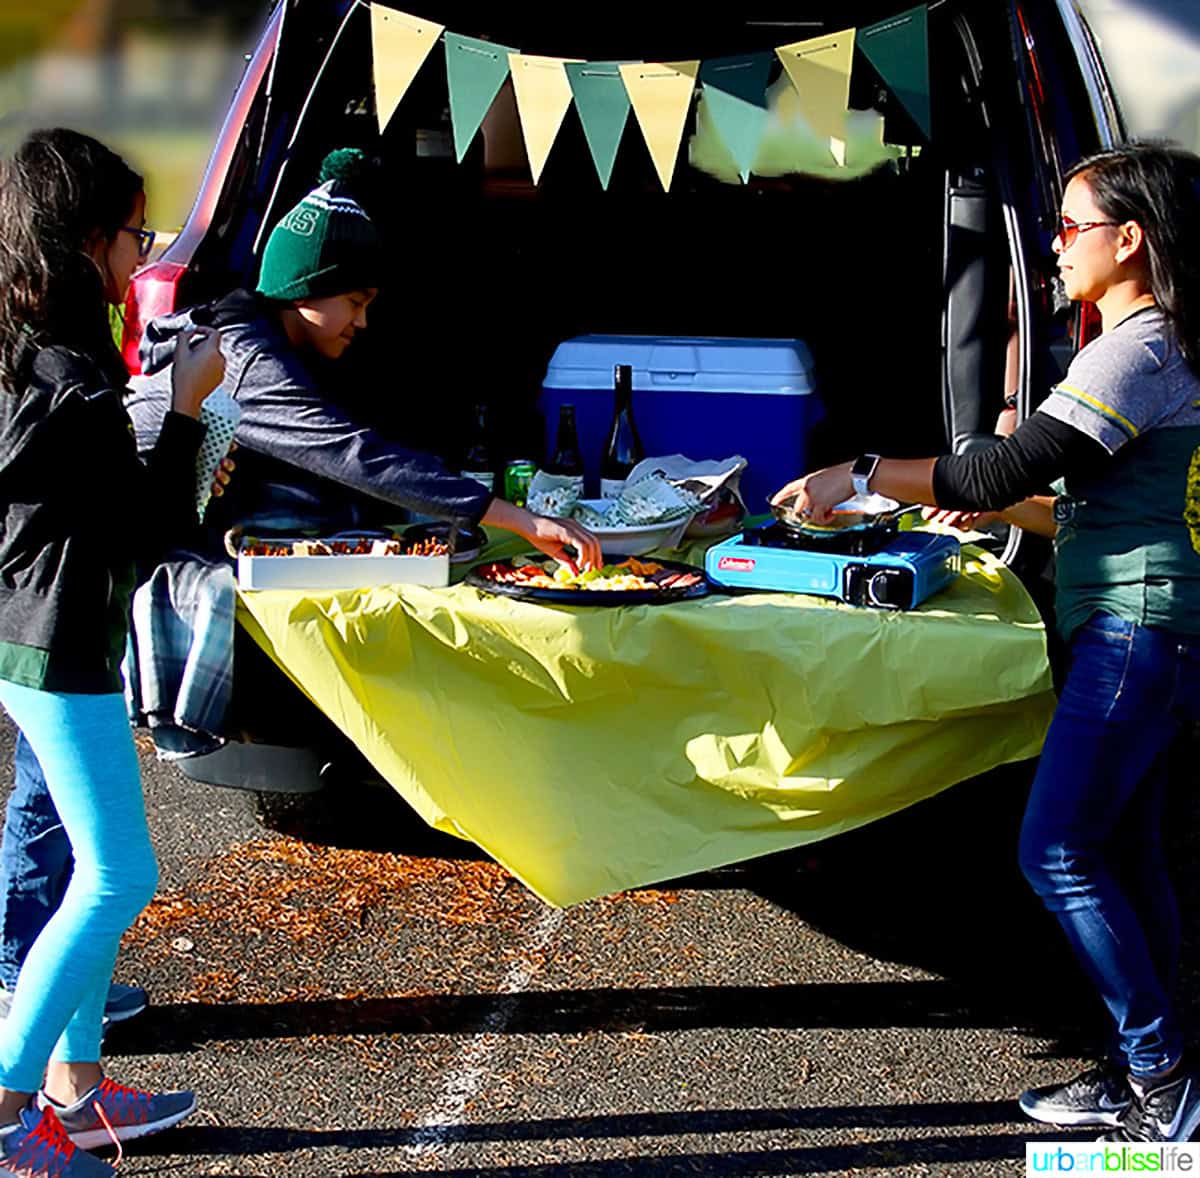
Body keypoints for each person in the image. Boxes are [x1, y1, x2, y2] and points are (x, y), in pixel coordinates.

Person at [772, 142, 1200, 1145]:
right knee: (1127, 852)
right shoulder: (1163, 344)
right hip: (1154, 626)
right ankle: (1138, 1064)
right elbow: (1090, 502)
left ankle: (1162, 1080)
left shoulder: (1133, 349)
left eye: (1070, 224)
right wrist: (998, 503)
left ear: (1129, 239)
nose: (1055, 245)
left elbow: (1003, 466)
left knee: (1056, 849)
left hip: (1138, 631)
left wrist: (863, 470)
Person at [121, 148, 600, 756]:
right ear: (308, 289)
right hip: (123, 544)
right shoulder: (247, 360)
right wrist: (519, 519)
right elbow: (353, 455)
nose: (364, 322)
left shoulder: (268, 334)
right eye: (355, 301)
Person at [0, 128, 226, 1175]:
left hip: (38, 633)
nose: (145, 255)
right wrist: (184, 408)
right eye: (137, 234)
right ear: (88, 238)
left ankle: (78, 1095)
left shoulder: (34, 344)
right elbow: (147, 530)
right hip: (58, 647)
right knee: (117, 877)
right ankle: (8, 1111)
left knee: (93, 864)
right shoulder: (68, 376)